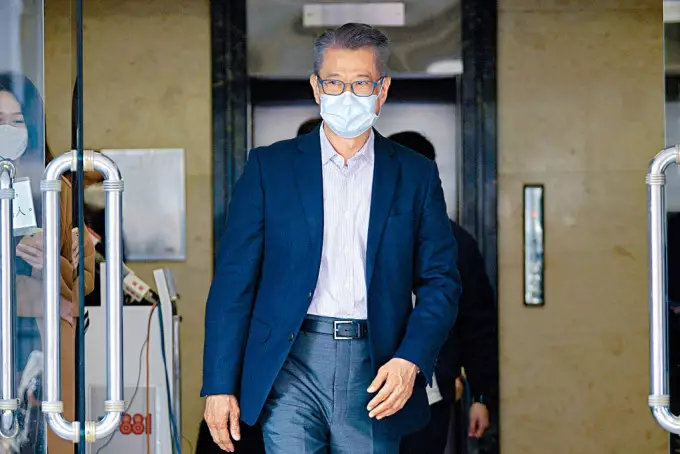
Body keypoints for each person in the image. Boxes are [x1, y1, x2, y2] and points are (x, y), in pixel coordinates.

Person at [202, 23, 461, 454]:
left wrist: (411, 358)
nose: (347, 95)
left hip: (376, 364)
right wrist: (218, 384)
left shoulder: (414, 174)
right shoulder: (269, 168)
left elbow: (441, 281)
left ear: (382, 90)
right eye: (335, 83)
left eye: (361, 83)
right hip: (290, 362)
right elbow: (233, 282)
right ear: (316, 88)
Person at [0, 72, 96, 453]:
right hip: (11, 334)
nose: (8, 130)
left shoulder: (55, 185)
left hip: (45, 342)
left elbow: (84, 280)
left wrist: (55, 263)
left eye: (17, 120)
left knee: (40, 438)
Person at [389, 131, 498, 454]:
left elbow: (477, 323)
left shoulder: (455, 242)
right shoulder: (360, 231)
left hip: (429, 391)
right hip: (364, 390)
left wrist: (480, 396)